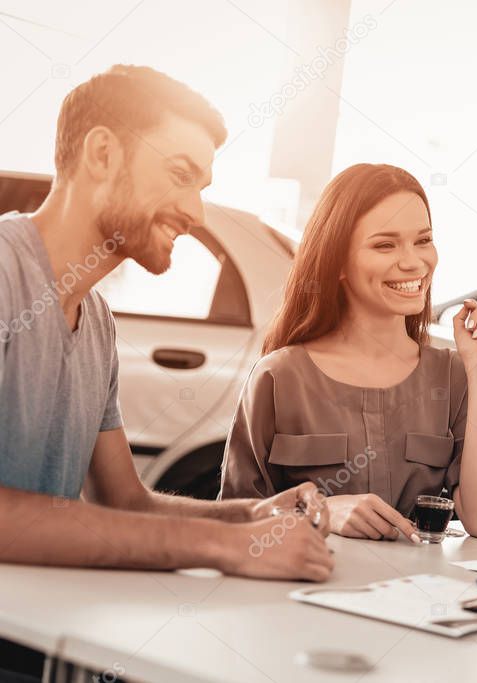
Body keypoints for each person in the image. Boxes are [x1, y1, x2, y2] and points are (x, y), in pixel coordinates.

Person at [0, 65, 334, 583]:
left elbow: (124, 500)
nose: (194, 211)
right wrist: (224, 546)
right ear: (103, 154)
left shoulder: (98, 325)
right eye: (181, 176)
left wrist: (250, 517)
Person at [219, 163, 477, 541]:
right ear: (337, 261)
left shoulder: (454, 375)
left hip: (415, 593)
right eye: (385, 244)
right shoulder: (280, 376)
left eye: (423, 240)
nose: (413, 261)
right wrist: (321, 512)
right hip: (302, 592)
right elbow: (235, 517)